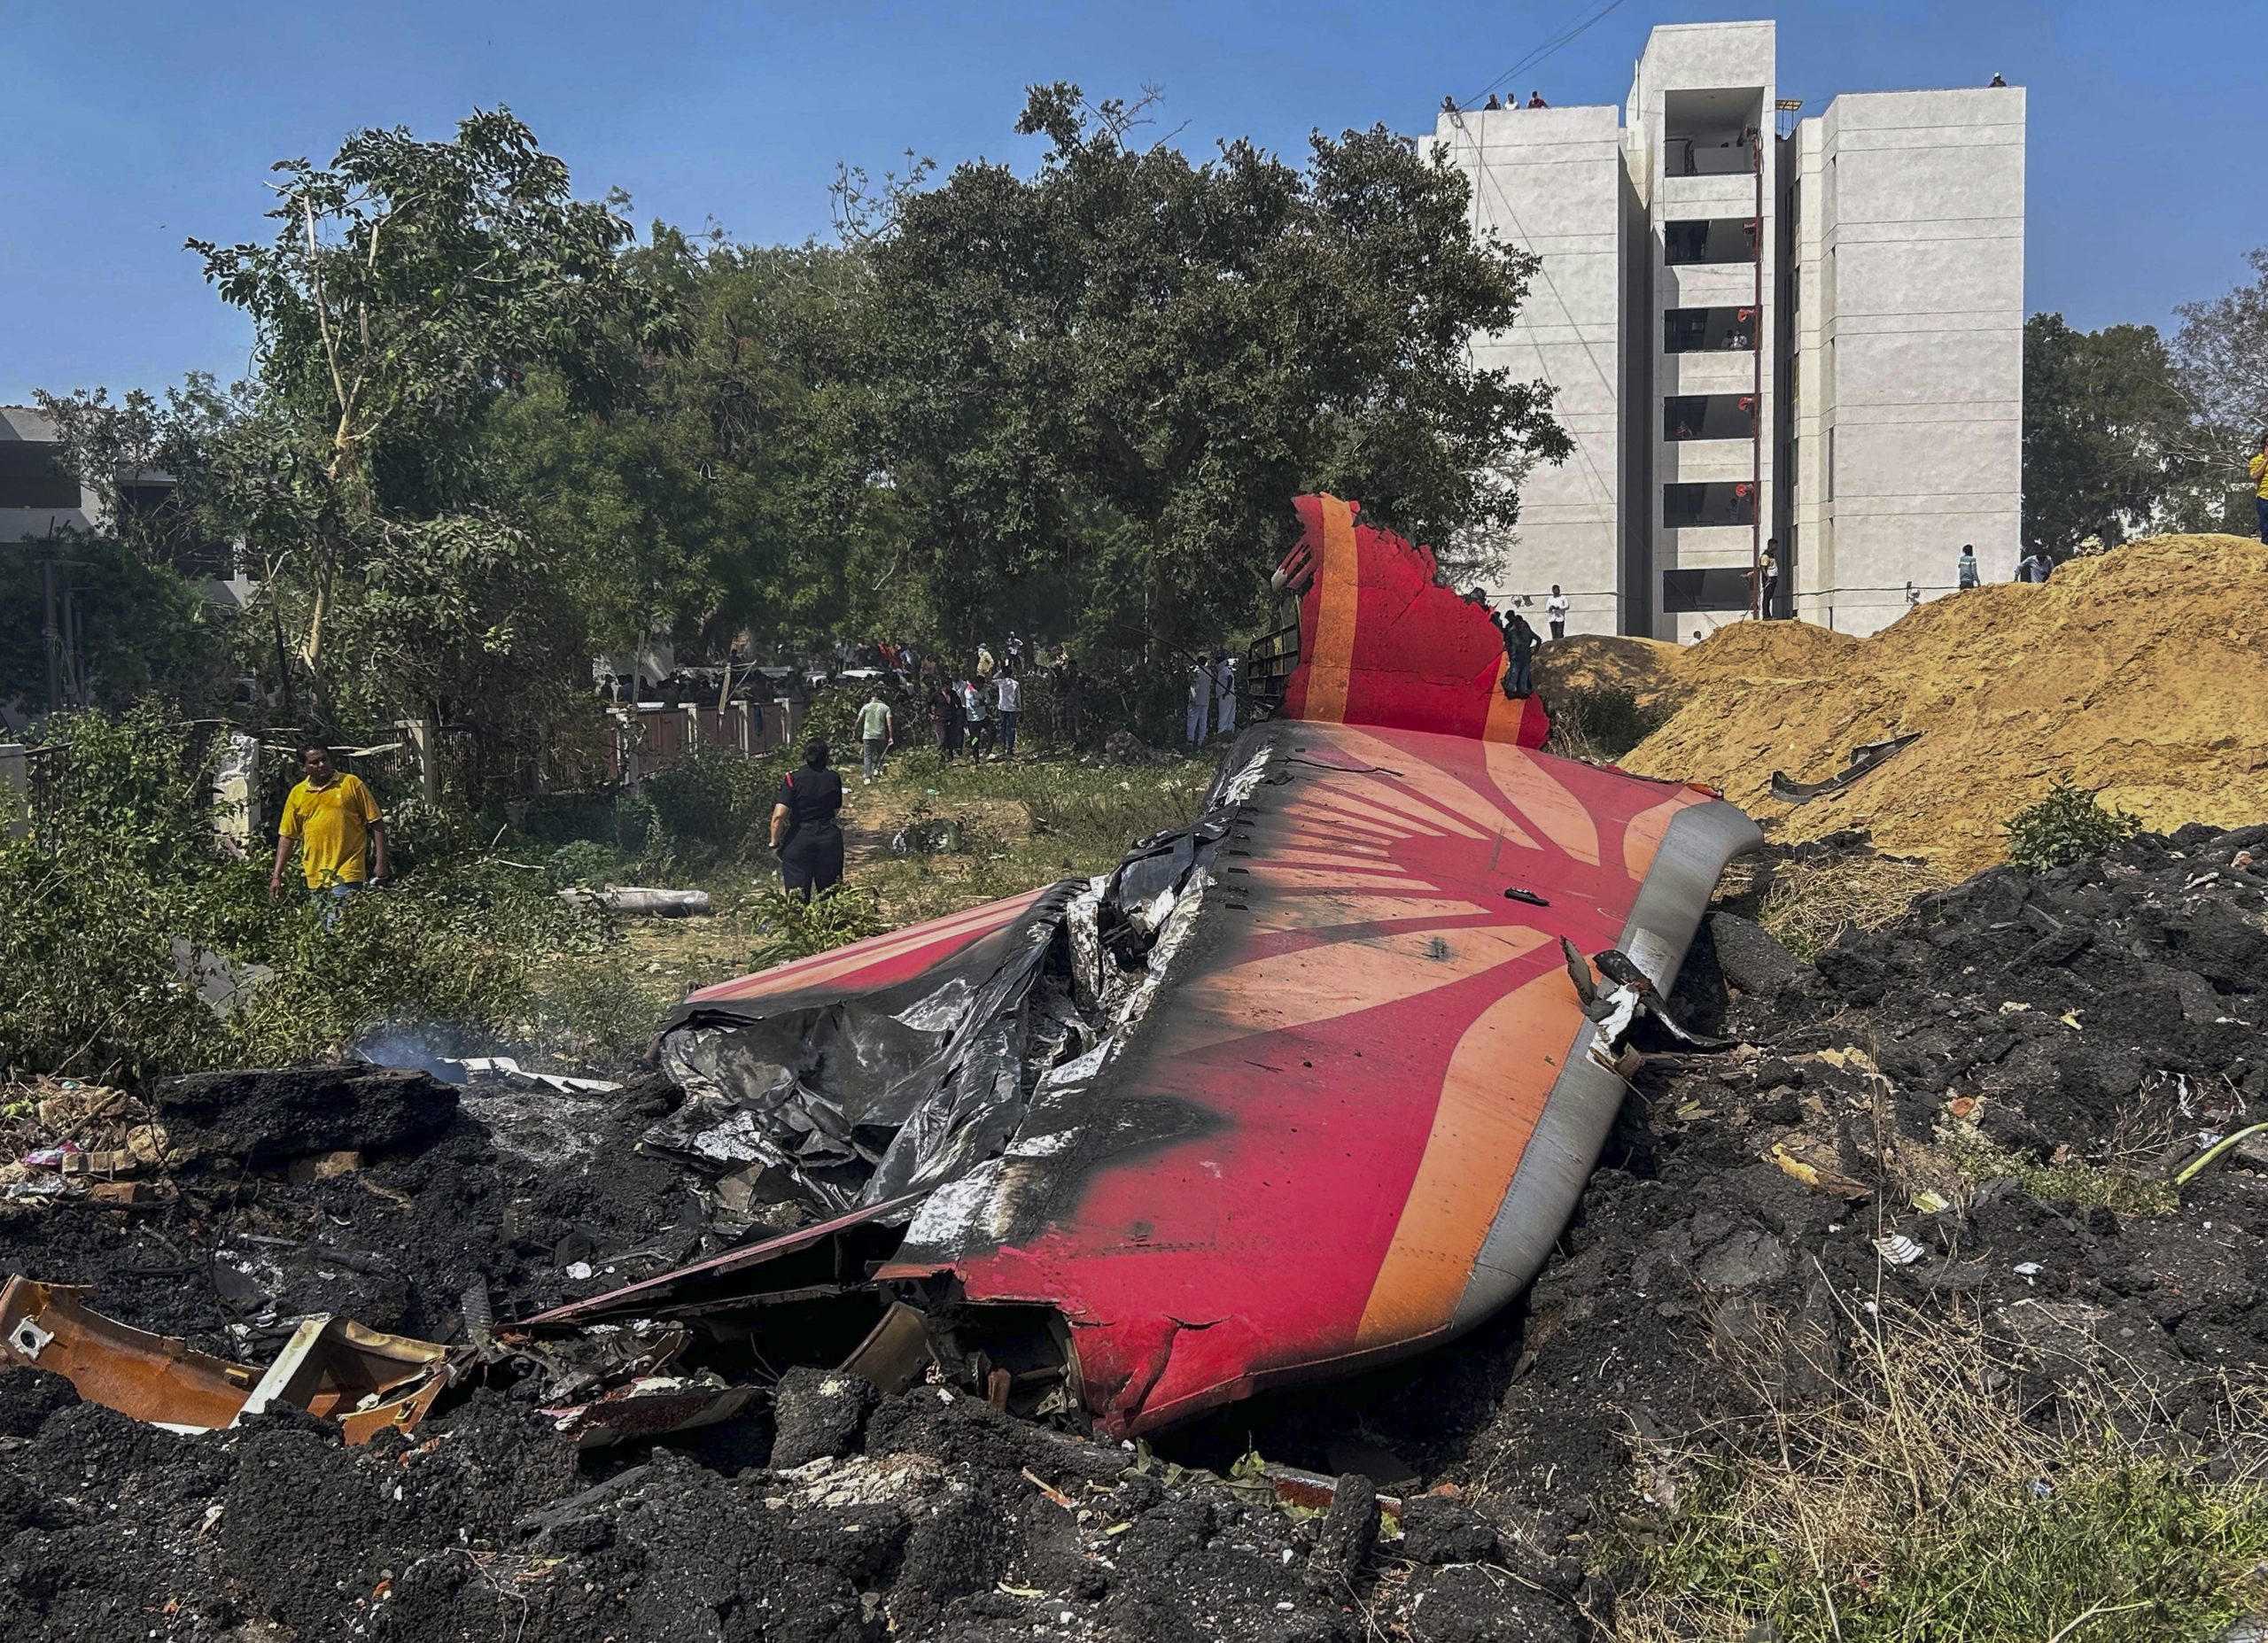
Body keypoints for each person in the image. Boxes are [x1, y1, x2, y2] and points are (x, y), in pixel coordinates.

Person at [270, 740, 386, 922]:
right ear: (304, 768)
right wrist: (277, 876)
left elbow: (376, 822)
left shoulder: (350, 784)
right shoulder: (298, 793)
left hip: (347, 871)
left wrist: (381, 862)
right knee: (324, 930)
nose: (321, 765)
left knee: (336, 925)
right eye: (314, 762)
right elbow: (287, 836)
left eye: (324, 759)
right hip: (315, 875)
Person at [771, 740, 845, 903]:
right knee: (830, 897)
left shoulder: (792, 778)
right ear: (826, 757)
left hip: (798, 839)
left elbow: (778, 816)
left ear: (805, 756)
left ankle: (800, 919)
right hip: (829, 840)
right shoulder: (833, 778)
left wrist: (775, 844)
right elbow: (835, 809)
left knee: (797, 898)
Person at [1496, 606, 1538, 698]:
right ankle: (1520, 691)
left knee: (1517, 675)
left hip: (1519, 655)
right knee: (1520, 675)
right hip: (1521, 655)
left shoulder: (1513, 629)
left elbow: (1507, 640)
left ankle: (1517, 691)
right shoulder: (1514, 628)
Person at [857, 689, 893, 784]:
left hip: (868, 734)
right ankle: (877, 769)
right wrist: (890, 736)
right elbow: (889, 723)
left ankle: (867, 777)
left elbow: (858, 721)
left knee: (867, 756)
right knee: (880, 753)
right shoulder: (885, 708)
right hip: (880, 734)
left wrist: (856, 730)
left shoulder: (866, 707)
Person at [928, 676, 960, 763]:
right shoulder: (936, 695)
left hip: (951, 718)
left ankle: (950, 757)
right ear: (944, 686)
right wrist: (931, 714)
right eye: (949, 685)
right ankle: (940, 758)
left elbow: (959, 704)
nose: (951, 687)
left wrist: (956, 713)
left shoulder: (953, 694)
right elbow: (928, 703)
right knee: (942, 738)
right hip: (941, 719)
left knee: (951, 738)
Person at [1185, 657, 1214, 746]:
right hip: (1205, 699)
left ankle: (1190, 740)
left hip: (1195, 698)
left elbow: (1189, 680)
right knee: (1203, 721)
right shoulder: (1209, 672)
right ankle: (1201, 741)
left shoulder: (1195, 671)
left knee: (1192, 719)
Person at [994, 665, 1021, 756]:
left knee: (1003, 727)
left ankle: (1003, 746)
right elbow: (1018, 697)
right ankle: (1010, 748)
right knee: (1011, 728)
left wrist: (1000, 672)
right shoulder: (1015, 683)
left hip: (1002, 708)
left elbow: (992, 679)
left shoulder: (1000, 682)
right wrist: (1021, 708)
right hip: (1012, 708)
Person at [1213, 654, 1237, 737]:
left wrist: (1226, 691)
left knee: (1223, 714)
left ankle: (1221, 732)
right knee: (1230, 715)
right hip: (1230, 695)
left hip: (1226, 696)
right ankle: (1229, 732)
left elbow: (1230, 678)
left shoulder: (1224, 670)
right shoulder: (1225, 670)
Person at [1757, 539, 1782, 617]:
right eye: (1775, 545)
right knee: (1767, 597)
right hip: (1769, 579)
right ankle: (1766, 615)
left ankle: (1768, 615)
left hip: (1773, 577)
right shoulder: (1765, 556)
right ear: (1771, 545)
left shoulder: (1771, 555)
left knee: (1770, 596)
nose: (1776, 547)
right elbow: (1763, 568)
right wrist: (1767, 577)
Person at [2251, 431, 2268, 543]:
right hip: (2264, 499)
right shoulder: (2256, 460)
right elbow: (2255, 476)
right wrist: (2266, 460)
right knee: (2266, 528)